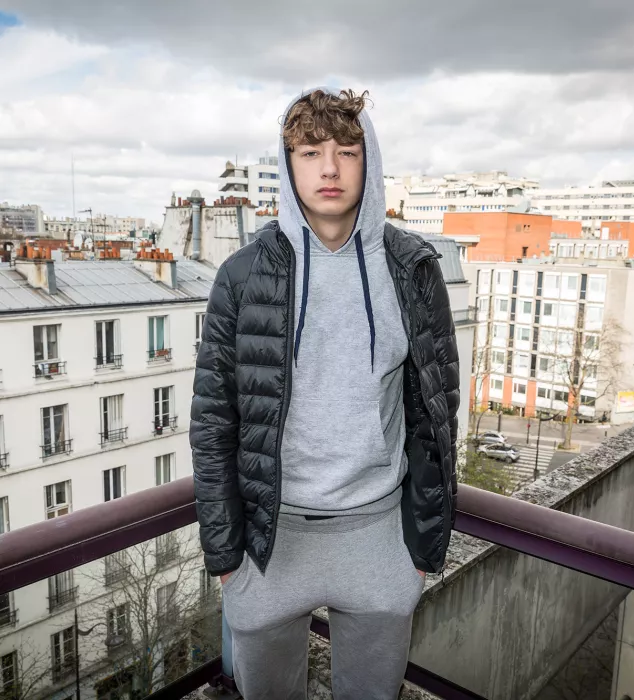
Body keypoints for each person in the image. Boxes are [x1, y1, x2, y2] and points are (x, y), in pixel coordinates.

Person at [190, 87, 459, 700]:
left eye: (348, 151)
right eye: (310, 152)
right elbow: (213, 422)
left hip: (379, 542)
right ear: (288, 166)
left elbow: (437, 415)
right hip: (269, 546)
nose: (330, 169)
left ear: (372, 162)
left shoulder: (413, 268)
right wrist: (226, 555)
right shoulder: (243, 275)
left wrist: (421, 550)